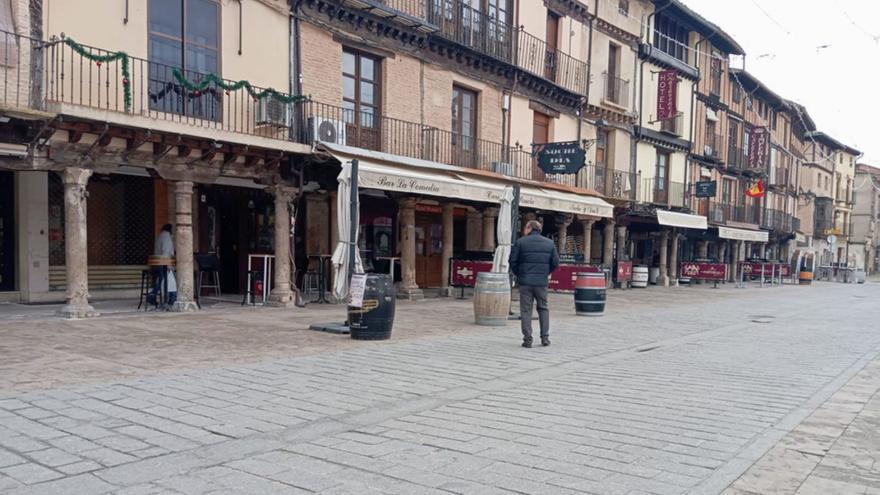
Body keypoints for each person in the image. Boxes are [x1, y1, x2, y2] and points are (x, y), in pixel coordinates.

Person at [508, 219, 559, 348]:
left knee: (526, 310)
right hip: (541, 282)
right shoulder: (549, 243)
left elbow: (512, 261)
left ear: (529, 228)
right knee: (543, 308)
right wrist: (546, 272)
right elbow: (556, 263)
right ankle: (545, 337)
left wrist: (519, 273)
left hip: (525, 281)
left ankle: (527, 339)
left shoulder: (520, 242)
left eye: (525, 228)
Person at [151, 224, 177, 306]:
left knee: (162, 280)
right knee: (169, 280)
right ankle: (172, 298)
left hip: (158, 262)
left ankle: (152, 295)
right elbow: (166, 251)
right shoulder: (166, 237)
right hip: (164, 262)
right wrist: (168, 264)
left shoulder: (159, 236)